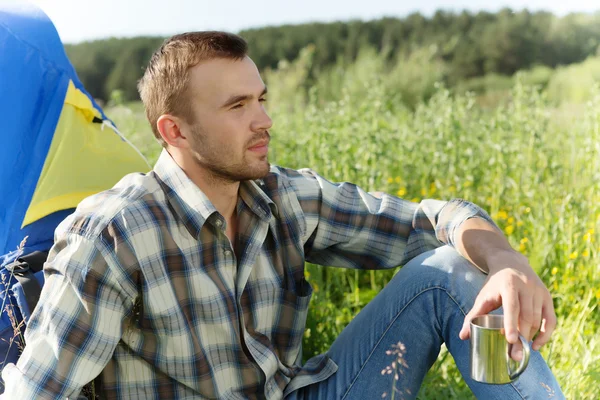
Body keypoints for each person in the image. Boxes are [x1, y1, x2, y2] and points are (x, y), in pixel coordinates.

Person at [1, 31, 565, 400]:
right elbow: (36, 393)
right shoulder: (114, 235)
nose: (264, 119)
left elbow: (431, 222)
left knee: (452, 270)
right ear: (173, 131)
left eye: (262, 98)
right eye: (237, 106)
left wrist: (507, 260)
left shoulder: (283, 197)